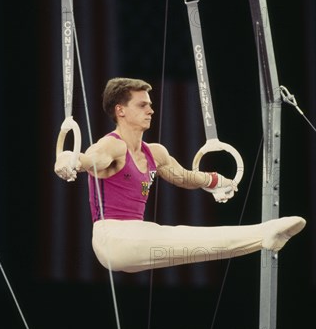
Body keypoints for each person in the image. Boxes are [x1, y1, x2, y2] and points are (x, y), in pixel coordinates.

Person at [54, 77, 306, 273]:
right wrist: (68, 159)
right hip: (112, 238)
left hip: (136, 240)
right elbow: (90, 160)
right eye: (142, 105)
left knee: (197, 248)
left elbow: (185, 177)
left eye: (150, 105)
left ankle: (265, 238)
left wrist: (219, 181)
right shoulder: (111, 146)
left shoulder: (155, 153)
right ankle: (264, 231)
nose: (151, 110)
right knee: (176, 234)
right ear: (120, 110)